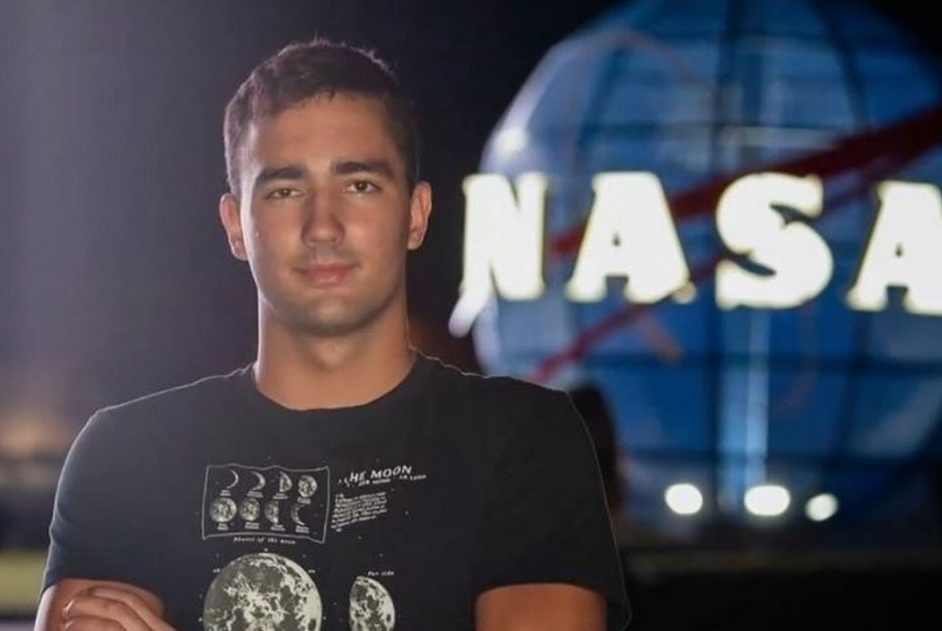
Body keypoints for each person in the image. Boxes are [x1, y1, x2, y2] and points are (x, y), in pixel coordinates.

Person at [34, 39, 630, 631]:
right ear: (236, 226)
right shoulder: (130, 454)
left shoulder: (523, 441)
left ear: (416, 214)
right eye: (285, 191)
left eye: (359, 184)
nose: (323, 226)